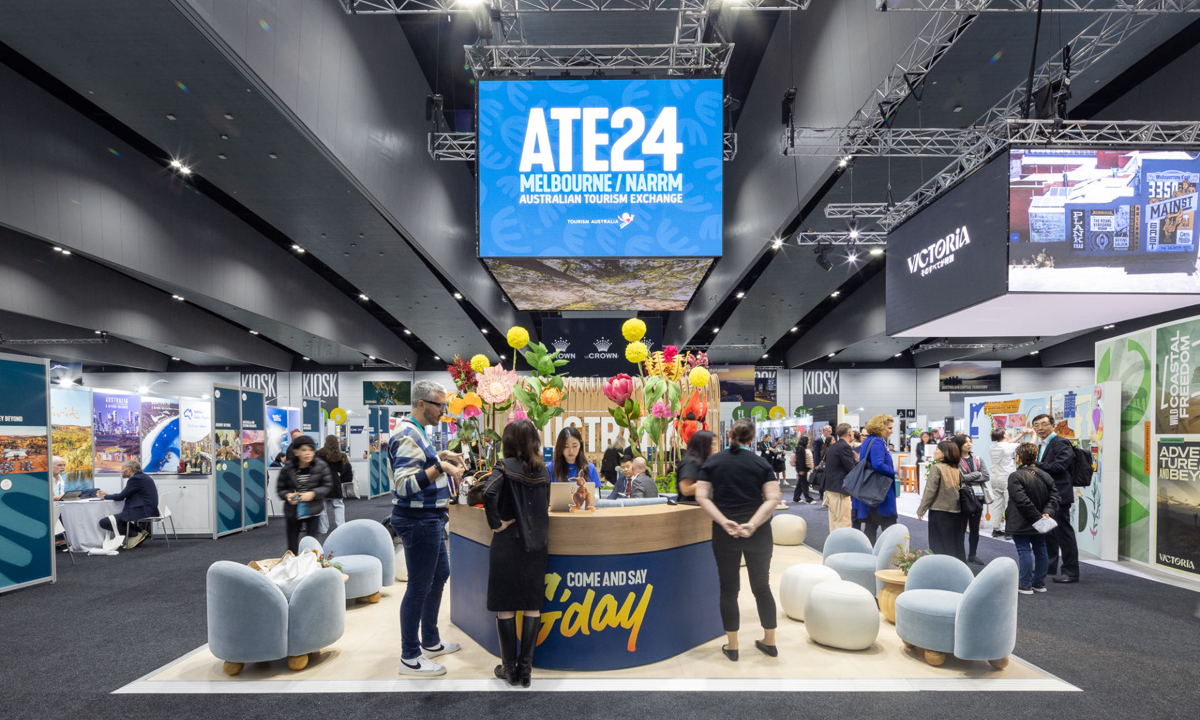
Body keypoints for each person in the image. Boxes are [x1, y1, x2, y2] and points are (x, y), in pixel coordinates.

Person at [389, 380, 465, 676]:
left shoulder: (417, 431)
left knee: (439, 575)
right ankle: (410, 656)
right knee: (418, 587)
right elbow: (404, 485)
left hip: (429, 518)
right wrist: (441, 468)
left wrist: (442, 456)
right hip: (418, 519)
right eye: (440, 405)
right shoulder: (408, 434)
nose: (444, 411)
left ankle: (430, 640)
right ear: (422, 404)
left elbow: (418, 463)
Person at [695, 418, 781, 662]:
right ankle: (770, 642)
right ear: (752, 439)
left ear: (729, 434)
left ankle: (732, 646)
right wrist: (753, 524)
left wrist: (724, 521)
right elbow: (773, 498)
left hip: (725, 534)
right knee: (762, 587)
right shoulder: (761, 463)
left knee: (728, 589)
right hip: (759, 533)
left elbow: (702, 496)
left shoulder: (713, 462)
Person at [480, 419, 550, 688]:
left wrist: (496, 523)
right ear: (533, 441)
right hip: (537, 546)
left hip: (508, 544)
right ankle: (526, 669)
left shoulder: (503, 467)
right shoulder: (543, 471)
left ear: (508, 442)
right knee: (532, 605)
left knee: (506, 607)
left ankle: (509, 670)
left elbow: (487, 492)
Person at [1007, 443, 1061, 594]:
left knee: (1024, 550)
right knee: (1041, 549)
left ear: (1019, 457)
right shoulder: (1045, 475)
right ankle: (1039, 583)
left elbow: (1021, 500)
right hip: (1041, 521)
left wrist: (1038, 517)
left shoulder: (1015, 476)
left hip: (1021, 520)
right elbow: (1055, 496)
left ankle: (1025, 584)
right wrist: (1046, 514)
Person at [1032, 413, 1080, 583]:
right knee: (1047, 532)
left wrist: (1035, 465)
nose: (1040, 428)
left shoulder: (1060, 442)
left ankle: (1071, 572)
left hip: (1059, 495)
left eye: (1044, 424)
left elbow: (1060, 466)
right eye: (1036, 425)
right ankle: (1048, 566)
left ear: (1053, 425)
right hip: (1045, 494)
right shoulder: (1041, 444)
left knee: (1063, 533)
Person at [277, 434, 333, 555]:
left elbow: (327, 485)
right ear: (296, 452)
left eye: (311, 450)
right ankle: (292, 570)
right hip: (293, 511)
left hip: (313, 510)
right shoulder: (288, 467)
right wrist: (287, 495)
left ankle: (310, 569)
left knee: (311, 544)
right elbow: (280, 489)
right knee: (292, 546)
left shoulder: (321, 466)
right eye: (304, 450)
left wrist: (313, 494)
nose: (308, 453)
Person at [851, 415, 899, 545]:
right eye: (889, 428)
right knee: (889, 531)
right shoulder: (877, 442)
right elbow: (878, 464)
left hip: (871, 492)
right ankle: (889, 560)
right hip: (880, 493)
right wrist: (894, 472)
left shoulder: (869, 440)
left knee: (870, 529)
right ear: (881, 427)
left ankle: (868, 559)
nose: (891, 431)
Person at [917, 441, 965, 561]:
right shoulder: (956, 469)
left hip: (939, 511)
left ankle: (941, 572)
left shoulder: (936, 468)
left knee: (938, 545)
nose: (934, 451)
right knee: (954, 544)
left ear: (944, 453)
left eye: (937, 449)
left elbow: (930, 491)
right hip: (956, 511)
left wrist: (921, 509)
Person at [97, 459, 160, 549]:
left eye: (122, 468)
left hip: (142, 509)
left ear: (129, 469)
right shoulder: (142, 477)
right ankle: (140, 532)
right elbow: (124, 494)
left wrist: (103, 497)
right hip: (147, 508)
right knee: (121, 520)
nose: (121, 471)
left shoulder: (136, 479)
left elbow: (120, 497)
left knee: (104, 522)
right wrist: (108, 495)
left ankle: (135, 535)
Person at [953, 434, 990, 565]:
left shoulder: (978, 459)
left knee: (975, 528)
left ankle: (972, 555)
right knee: (961, 528)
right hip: (963, 497)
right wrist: (976, 474)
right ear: (959, 445)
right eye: (965, 442)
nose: (969, 444)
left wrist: (970, 477)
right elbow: (959, 478)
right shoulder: (955, 461)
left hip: (978, 497)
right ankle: (960, 555)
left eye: (970, 442)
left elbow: (986, 476)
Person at [987, 428, 1028, 538]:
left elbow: (1008, 444)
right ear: (1004, 435)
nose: (1008, 433)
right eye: (1006, 432)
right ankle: (1008, 530)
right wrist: (1032, 435)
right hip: (1007, 478)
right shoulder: (1009, 447)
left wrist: (1021, 434)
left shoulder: (993, 447)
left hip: (995, 478)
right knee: (1009, 504)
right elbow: (1028, 447)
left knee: (997, 503)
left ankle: (995, 529)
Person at [822, 423, 856, 531]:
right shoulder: (844, 447)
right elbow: (850, 468)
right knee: (843, 522)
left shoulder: (834, 446)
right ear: (850, 433)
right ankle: (843, 547)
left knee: (834, 522)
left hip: (831, 487)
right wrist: (857, 461)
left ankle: (834, 546)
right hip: (839, 489)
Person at [317, 434, 352, 532]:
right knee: (338, 505)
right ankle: (341, 527)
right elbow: (340, 469)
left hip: (322, 480)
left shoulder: (319, 453)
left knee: (322, 506)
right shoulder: (339, 455)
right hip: (335, 481)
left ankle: (323, 529)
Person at [675, 430, 716, 505]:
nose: (715, 448)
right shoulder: (690, 462)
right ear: (704, 446)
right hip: (689, 509)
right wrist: (714, 482)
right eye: (713, 445)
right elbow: (686, 489)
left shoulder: (707, 462)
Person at [792, 436, 814, 504]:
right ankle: (809, 499)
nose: (809, 441)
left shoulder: (802, 448)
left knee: (800, 483)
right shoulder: (801, 448)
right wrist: (801, 470)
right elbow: (800, 460)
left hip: (803, 468)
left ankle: (796, 498)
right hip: (802, 468)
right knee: (804, 484)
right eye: (808, 440)